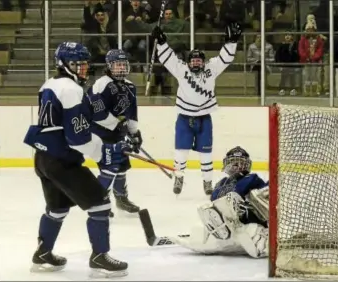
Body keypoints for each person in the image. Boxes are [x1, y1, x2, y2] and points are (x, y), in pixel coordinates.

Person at [23, 42, 129, 277]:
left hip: (43, 158)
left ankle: (43, 255)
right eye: (77, 64)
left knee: (57, 209)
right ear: (63, 64)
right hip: (62, 160)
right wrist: (105, 152)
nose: (82, 68)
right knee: (101, 204)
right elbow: (77, 138)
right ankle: (100, 259)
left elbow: (67, 124)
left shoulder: (49, 84)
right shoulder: (72, 90)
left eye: (84, 63)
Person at [151, 22, 242, 195]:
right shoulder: (181, 69)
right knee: (181, 152)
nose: (196, 63)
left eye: (199, 60)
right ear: (188, 62)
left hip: (204, 117)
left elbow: (225, 58)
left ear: (204, 61)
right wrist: (162, 43)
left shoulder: (211, 68)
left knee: (206, 154)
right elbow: (168, 59)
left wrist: (231, 42)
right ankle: (179, 176)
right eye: (193, 60)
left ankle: (207, 183)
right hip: (184, 118)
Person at [169, 146, 269, 258]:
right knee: (209, 208)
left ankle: (242, 231)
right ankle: (218, 230)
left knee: (238, 199)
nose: (238, 167)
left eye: (242, 163)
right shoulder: (221, 183)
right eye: (234, 164)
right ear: (227, 165)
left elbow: (264, 195)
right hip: (226, 224)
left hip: (247, 219)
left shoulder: (251, 178)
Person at [86, 49, 142, 218]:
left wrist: (134, 133)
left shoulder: (130, 87)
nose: (121, 68)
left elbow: (131, 113)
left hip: (116, 132)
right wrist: (117, 124)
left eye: (124, 65)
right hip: (98, 132)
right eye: (117, 65)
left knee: (122, 166)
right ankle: (97, 201)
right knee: (110, 166)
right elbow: (97, 113)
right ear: (109, 66)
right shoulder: (102, 84)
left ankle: (121, 199)